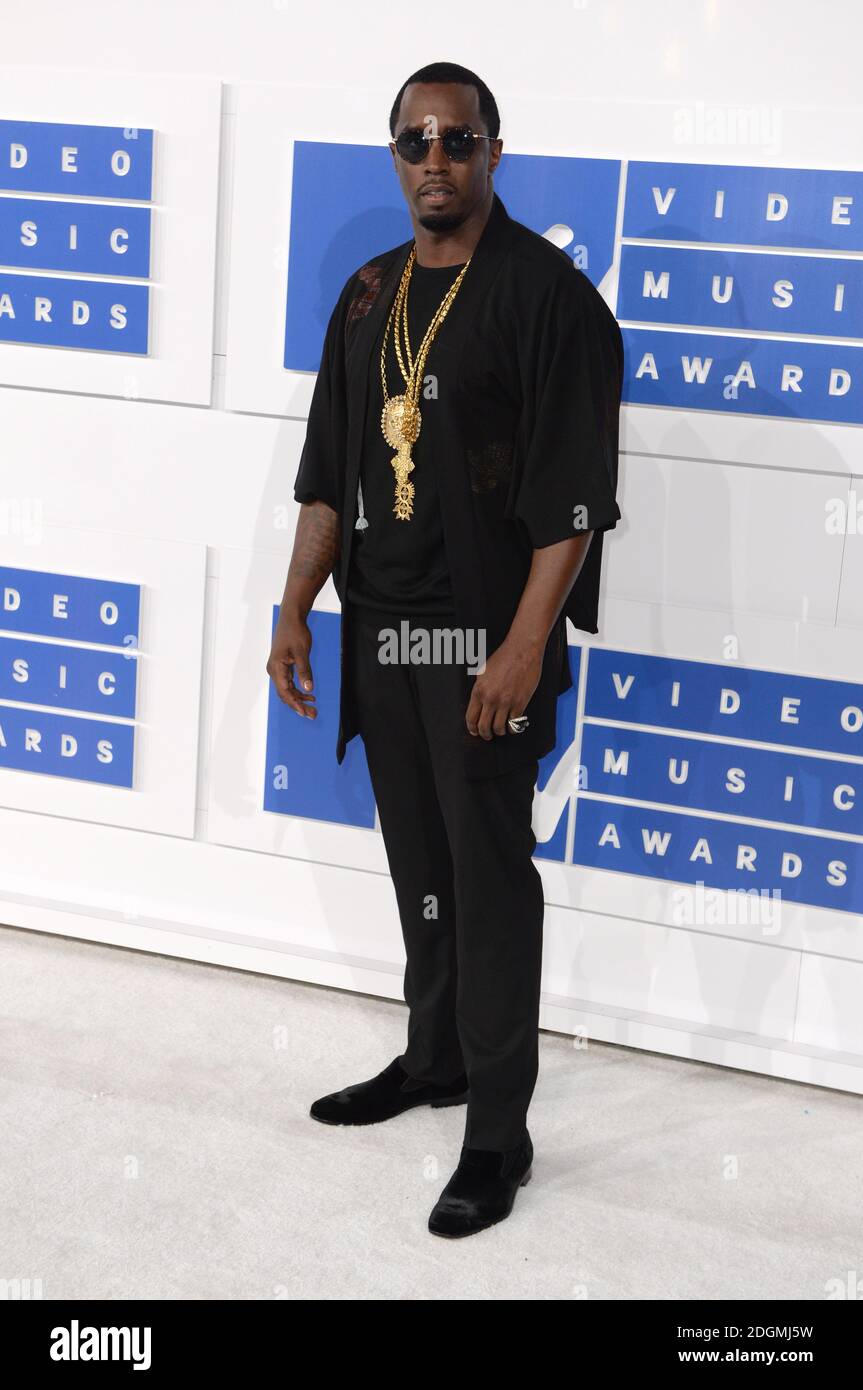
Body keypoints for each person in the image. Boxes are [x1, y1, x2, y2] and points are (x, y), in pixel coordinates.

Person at [267, 61, 623, 1238]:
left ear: (491, 153)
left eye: (456, 141)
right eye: (415, 141)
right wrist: (292, 607)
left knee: (488, 885)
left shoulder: (547, 299)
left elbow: (572, 503)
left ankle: (497, 1132)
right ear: (394, 157)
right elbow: (329, 473)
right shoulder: (369, 297)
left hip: (483, 645)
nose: (436, 159)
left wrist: (522, 648)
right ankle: (432, 1060)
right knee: (420, 867)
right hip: (383, 633)